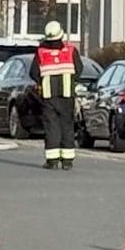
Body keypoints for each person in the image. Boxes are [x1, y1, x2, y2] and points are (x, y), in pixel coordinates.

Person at [35, 21, 82, 170]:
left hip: (49, 96)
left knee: (51, 126)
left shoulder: (41, 52)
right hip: (67, 95)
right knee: (67, 125)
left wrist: (42, 81)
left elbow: (33, 73)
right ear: (61, 34)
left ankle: (52, 161)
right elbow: (79, 69)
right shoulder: (70, 51)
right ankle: (67, 161)